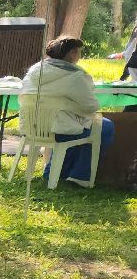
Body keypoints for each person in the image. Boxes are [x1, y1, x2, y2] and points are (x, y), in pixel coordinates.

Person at [22, 35, 113, 186]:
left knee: (79, 126)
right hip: (62, 128)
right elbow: (92, 106)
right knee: (104, 126)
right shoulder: (75, 76)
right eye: (78, 52)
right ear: (72, 53)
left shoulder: (35, 70)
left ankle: (54, 171)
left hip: (35, 126)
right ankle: (80, 176)